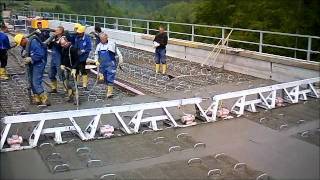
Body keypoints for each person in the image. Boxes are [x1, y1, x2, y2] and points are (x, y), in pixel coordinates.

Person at [14, 33, 50, 106]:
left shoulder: (33, 42)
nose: (20, 45)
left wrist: (31, 58)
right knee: (30, 80)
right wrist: (24, 56)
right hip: (32, 64)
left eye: (20, 43)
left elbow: (40, 54)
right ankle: (37, 97)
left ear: (23, 39)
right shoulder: (25, 45)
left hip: (39, 63)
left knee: (36, 81)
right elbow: (25, 53)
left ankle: (44, 99)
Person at [94, 33, 122, 98]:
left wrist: (120, 62)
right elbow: (96, 54)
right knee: (105, 78)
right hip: (102, 65)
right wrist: (96, 61)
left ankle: (109, 93)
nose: (102, 40)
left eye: (103, 39)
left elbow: (118, 54)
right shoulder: (99, 46)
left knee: (110, 78)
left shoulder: (112, 44)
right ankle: (108, 87)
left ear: (106, 38)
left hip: (111, 64)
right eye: (101, 39)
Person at [59, 36, 80, 103]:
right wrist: (62, 64)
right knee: (67, 83)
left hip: (73, 68)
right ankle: (70, 96)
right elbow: (62, 58)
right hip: (67, 68)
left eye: (64, 44)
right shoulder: (63, 49)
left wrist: (74, 68)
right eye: (62, 44)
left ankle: (76, 98)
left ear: (67, 42)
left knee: (72, 83)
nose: (63, 45)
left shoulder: (73, 49)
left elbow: (77, 60)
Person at [74, 25, 92, 90]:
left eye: (80, 33)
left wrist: (82, 51)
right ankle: (77, 84)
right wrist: (76, 50)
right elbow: (75, 46)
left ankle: (85, 85)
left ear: (83, 33)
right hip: (77, 57)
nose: (78, 34)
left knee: (83, 70)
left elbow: (89, 48)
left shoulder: (87, 39)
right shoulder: (77, 38)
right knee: (77, 71)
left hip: (83, 57)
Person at [48, 26, 64, 93]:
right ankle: (54, 88)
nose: (55, 32)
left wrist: (53, 41)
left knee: (61, 74)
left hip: (59, 58)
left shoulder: (63, 38)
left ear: (60, 31)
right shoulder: (54, 38)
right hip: (53, 58)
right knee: (51, 73)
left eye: (57, 30)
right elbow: (50, 47)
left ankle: (66, 89)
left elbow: (60, 47)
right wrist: (50, 42)